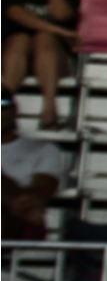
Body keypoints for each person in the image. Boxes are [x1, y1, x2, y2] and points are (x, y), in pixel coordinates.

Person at [5, 0, 82, 120]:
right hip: (15, 56)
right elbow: (16, 14)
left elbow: (60, 15)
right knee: (20, 39)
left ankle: (49, 109)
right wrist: (61, 31)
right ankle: (4, 106)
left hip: (55, 62)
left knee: (43, 39)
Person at [1, 99, 66, 243]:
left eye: (3, 104)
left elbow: (44, 189)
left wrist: (16, 202)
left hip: (21, 221)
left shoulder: (42, 148)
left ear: (15, 109)